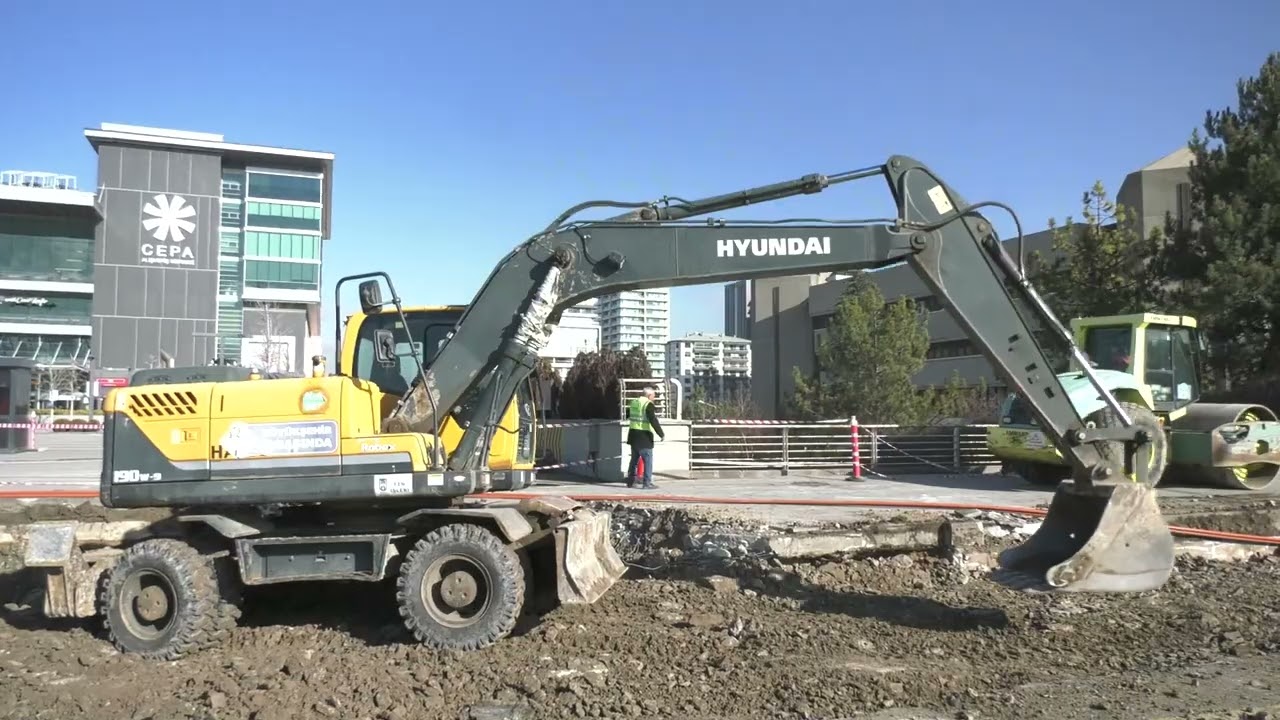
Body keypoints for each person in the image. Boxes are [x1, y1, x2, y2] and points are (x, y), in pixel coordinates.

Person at [625, 385, 665, 489]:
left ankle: (630, 482)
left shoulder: (634, 402)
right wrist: (661, 433)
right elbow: (653, 420)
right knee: (648, 460)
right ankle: (647, 483)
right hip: (644, 437)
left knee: (633, 460)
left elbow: (627, 415)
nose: (654, 398)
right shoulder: (648, 404)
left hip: (633, 435)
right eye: (653, 396)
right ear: (649, 395)